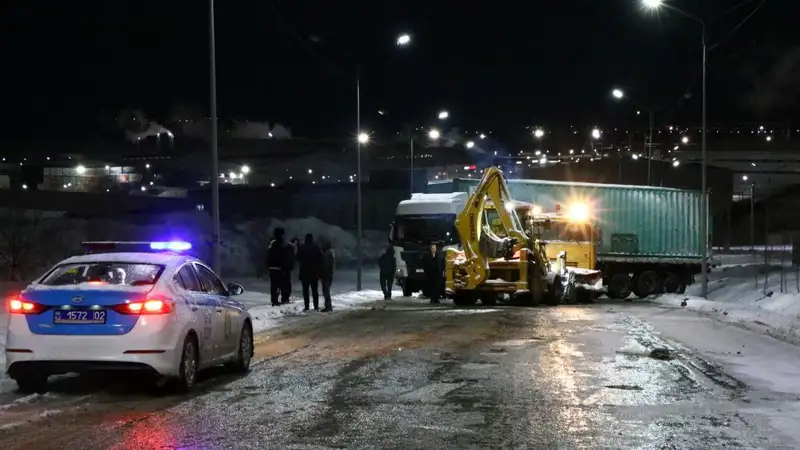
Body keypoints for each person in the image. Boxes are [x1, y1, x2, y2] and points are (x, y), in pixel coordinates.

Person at [297, 233, 323, 311]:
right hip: (314, 272)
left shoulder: (302, 247)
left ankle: (307, 306)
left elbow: (297, 257)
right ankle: (316, 306)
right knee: (314, 290)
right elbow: (321, 259)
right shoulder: (316, 247)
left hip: (304, 272)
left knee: (305, 291)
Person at [266, 228, 289, 306]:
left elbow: (268, 254)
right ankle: (277, 300)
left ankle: (274, 300)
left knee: (274, 285)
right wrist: (284, 266)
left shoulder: (271, 243)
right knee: (280, 284)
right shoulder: (282, 243)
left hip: (271, 266)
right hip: (278, 267)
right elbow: (284, 256)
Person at [320, 240, 335, 312]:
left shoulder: (326, 254)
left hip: (326, 275)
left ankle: (328, 306)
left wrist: (321, 273)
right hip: (328, 274)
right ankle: (328, 305)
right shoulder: (330, 253)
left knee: (326, 291)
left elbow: (324, 266)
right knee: (326, 290)